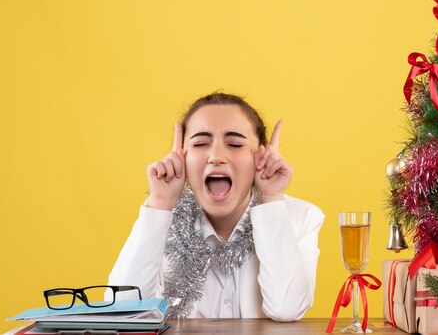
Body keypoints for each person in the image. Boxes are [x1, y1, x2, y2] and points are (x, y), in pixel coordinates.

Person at [106, 92, 325, 322]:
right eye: (200, 143)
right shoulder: (162, 217)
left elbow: (287, 309)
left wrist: (270, 197)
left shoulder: (301, 218)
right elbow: (124, 310)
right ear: (182, 157)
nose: (216, 156)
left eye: (235, 143)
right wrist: (160, 204)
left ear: (260, 158)